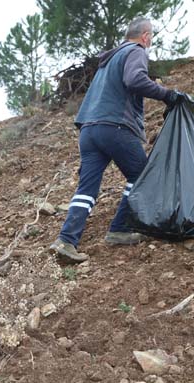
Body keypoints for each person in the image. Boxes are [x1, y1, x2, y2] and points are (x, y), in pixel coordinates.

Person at [49, 17, 185, 263]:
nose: (150, 41)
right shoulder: (136, 51)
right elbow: (135, 80)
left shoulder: (108, 60)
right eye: (151, 37)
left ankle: (66, 240)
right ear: (145, 36)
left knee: (87, 188)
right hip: (115, 127)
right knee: (141, 177)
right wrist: (167, 95)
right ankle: (120, 228)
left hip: (89, 130)